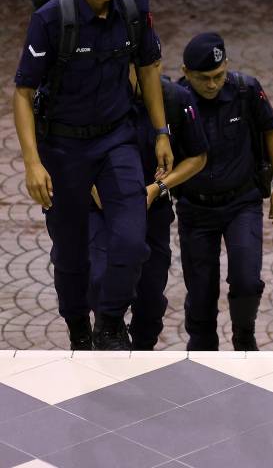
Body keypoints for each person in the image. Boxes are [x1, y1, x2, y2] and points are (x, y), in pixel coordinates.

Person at [12, 0, 172, 350]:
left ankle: (109, 322)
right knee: (71, 252)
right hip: (62, 148)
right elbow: (23, 94)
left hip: (115, 140)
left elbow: (149, 69)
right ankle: (77, 327)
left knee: (131, 239)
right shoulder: (52, 20)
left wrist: (161, 131)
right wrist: (32, 162)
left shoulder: (135, 11)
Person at [177, 33, 273, 351]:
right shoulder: (174, 98)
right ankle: (202, 345)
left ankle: (244, 333)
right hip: (195, 209)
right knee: (200, 291)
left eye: (218, 75)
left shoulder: (245, 90)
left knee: (247, 279)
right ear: (186, 71)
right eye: (203, 78)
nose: (212, 85)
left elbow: (271, 129)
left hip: (242, 203)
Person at [88, 74, 209, 349]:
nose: (146, 72)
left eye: (154, 63)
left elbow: (198, 156)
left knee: (151, 298)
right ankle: (108, 333)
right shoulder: (100, 96)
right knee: (99, 280)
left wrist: (158, 187)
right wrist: (92, 184)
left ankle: (142, 350)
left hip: (152, 210)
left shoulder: (176, 98)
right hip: (103, 211)